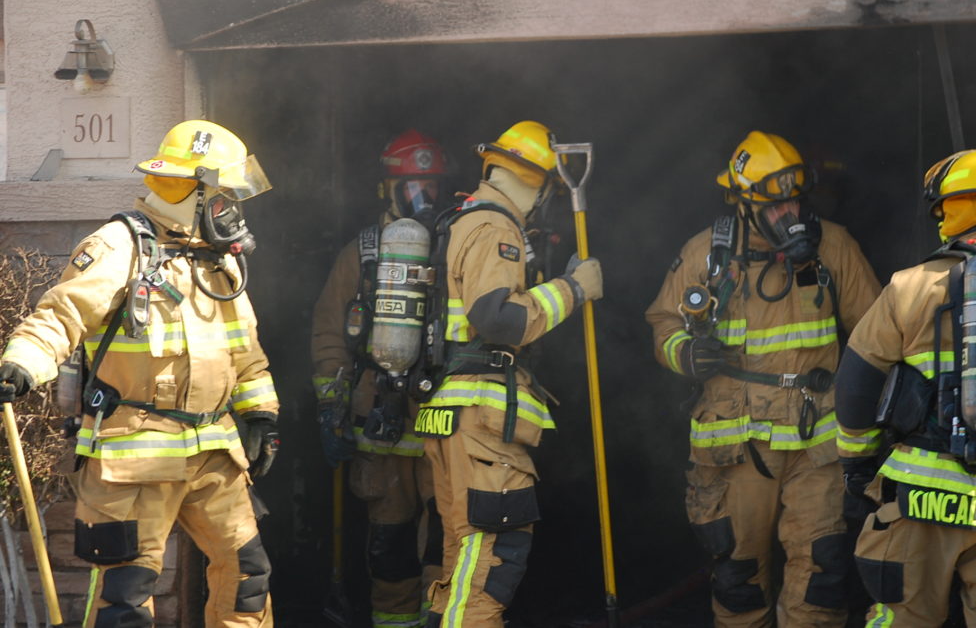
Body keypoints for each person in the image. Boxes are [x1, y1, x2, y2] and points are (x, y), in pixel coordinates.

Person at [0, 120, 278, 627]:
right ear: (192, 191)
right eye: (223, 196)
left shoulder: (219, 263)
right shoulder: (120, 247)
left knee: (247, 574)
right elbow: (61, 315)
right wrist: (22, 361)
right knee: (125, 597)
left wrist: (261, 413)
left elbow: (245, 348)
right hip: (135, 458)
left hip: (212, 452)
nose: (231, 209)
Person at [645, 130, 881, 627]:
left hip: (816, 444)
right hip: (734, 448)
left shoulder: (833, 246)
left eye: (795, 202)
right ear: (743, 203)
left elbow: (878, 334)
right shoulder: (705, 254)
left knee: (822, 576)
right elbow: (663, 322)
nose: (790, 214)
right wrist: (685, 353)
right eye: (775, 206)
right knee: (739, 581)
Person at [415, 120, 602, 627]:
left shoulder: (462, 221)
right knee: (489, 565)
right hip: (481, 426)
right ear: (537, 184)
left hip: (453, 418)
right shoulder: (497, 228)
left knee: (460, 564)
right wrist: (574, 289)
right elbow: (497, 319)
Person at [836, 144, 976, 625]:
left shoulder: (910, 285)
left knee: (903, 618)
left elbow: (857, 385)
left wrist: (857, 466)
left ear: (955, 210)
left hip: (920, 497)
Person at [310, 129, 451, 627]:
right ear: (385, 188)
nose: (421, 195)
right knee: (390, 546)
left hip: (440, 421)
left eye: (430, 185)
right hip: (379, 420)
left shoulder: (453, 246)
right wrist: (332, 408)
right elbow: (330, 333)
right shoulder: (361, 255)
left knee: (444, 541)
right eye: (410, 185)